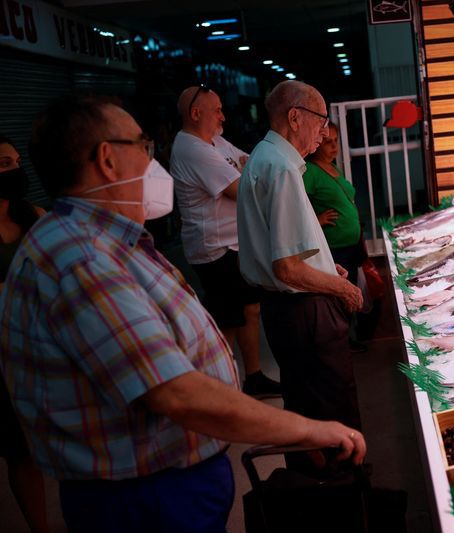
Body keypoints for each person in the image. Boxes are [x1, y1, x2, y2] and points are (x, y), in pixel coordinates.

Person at [0, 95, 365, 532]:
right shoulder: (79, 258)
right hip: (145, 499)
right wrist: (309, 430)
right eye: (143, 146)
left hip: (165, 489)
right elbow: (176, 393)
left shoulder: (104, 240)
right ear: (107, 160)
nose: (154, 163)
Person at [238, 81, 364, 463]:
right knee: (331, 415)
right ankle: (340, 490)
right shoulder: (280, 169)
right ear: (295, 117)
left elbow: (287, 252)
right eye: (321, 121)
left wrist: (326, 267)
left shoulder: (267, 158)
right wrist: (343, 290)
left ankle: (324, 483)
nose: (325, 132)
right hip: (304, 311)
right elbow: (288, 268)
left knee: (307, 407)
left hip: (289, 310)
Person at [170, 85, 280, 398]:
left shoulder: (214, 141)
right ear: (195, 114)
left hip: (233, 244)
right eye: (216, 109)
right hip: (214, 249)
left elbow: (249, 162)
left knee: (249, 309)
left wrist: (252, 174)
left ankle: (253, 377)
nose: (223, 115)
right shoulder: (192, 148)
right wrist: (254, 178)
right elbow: (239, 189)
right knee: (228, 319)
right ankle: (224, 388)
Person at [0, 135, 48, 532]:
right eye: (4, 164)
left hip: (29, 354)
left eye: (16, 161)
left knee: (28, 452)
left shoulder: (33, 215)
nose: (15, 170)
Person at [303, 123, 369, 353]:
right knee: (338, 296)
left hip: (350, 244)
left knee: (351, 292)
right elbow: (296, 204)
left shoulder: (333, 168)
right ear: (317, 144)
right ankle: (340, 343)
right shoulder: (310, 171)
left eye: (336, 141)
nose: (333, 147)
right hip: (334, 248)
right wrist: (317, 219)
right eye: (327, 142)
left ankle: (347, 339)